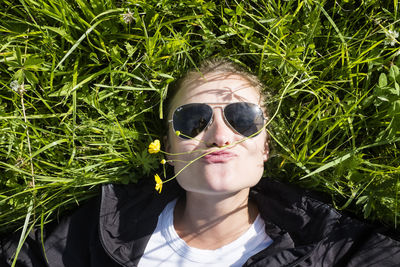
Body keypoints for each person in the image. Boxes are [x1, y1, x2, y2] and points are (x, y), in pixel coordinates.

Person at [1, 58, 399, 266]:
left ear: (265, 148)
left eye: (243, 118)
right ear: (170, 149)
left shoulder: (333, 247)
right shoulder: (98, 227)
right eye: (193, 120)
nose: (220, 136)